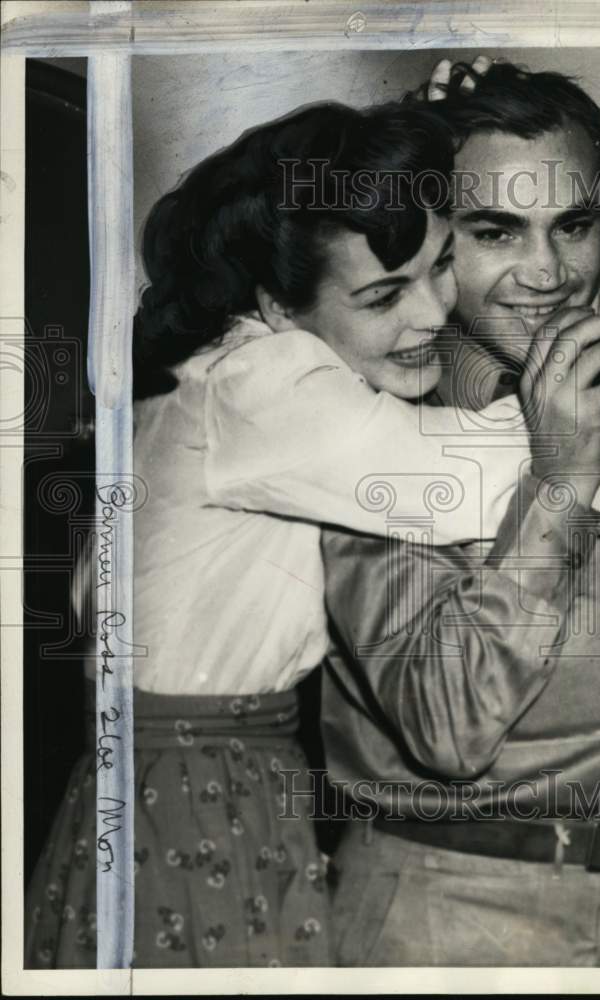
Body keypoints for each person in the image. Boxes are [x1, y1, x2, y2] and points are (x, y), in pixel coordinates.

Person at [24, 98, 553, 969]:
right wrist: (585, 396)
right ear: (274, 304)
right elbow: (456, 481)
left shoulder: (194, 386)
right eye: (385, 293)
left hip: (188, 781)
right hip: (194, 793)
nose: (431, 313)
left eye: (440, 267)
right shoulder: (261, 381)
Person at [318, 60, 600, 967]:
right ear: (429, 239)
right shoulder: (367, 418)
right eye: (496, 230)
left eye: (573, 225)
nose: (547, 275)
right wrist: (559, 481)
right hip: (450, 915)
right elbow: (448, 726)